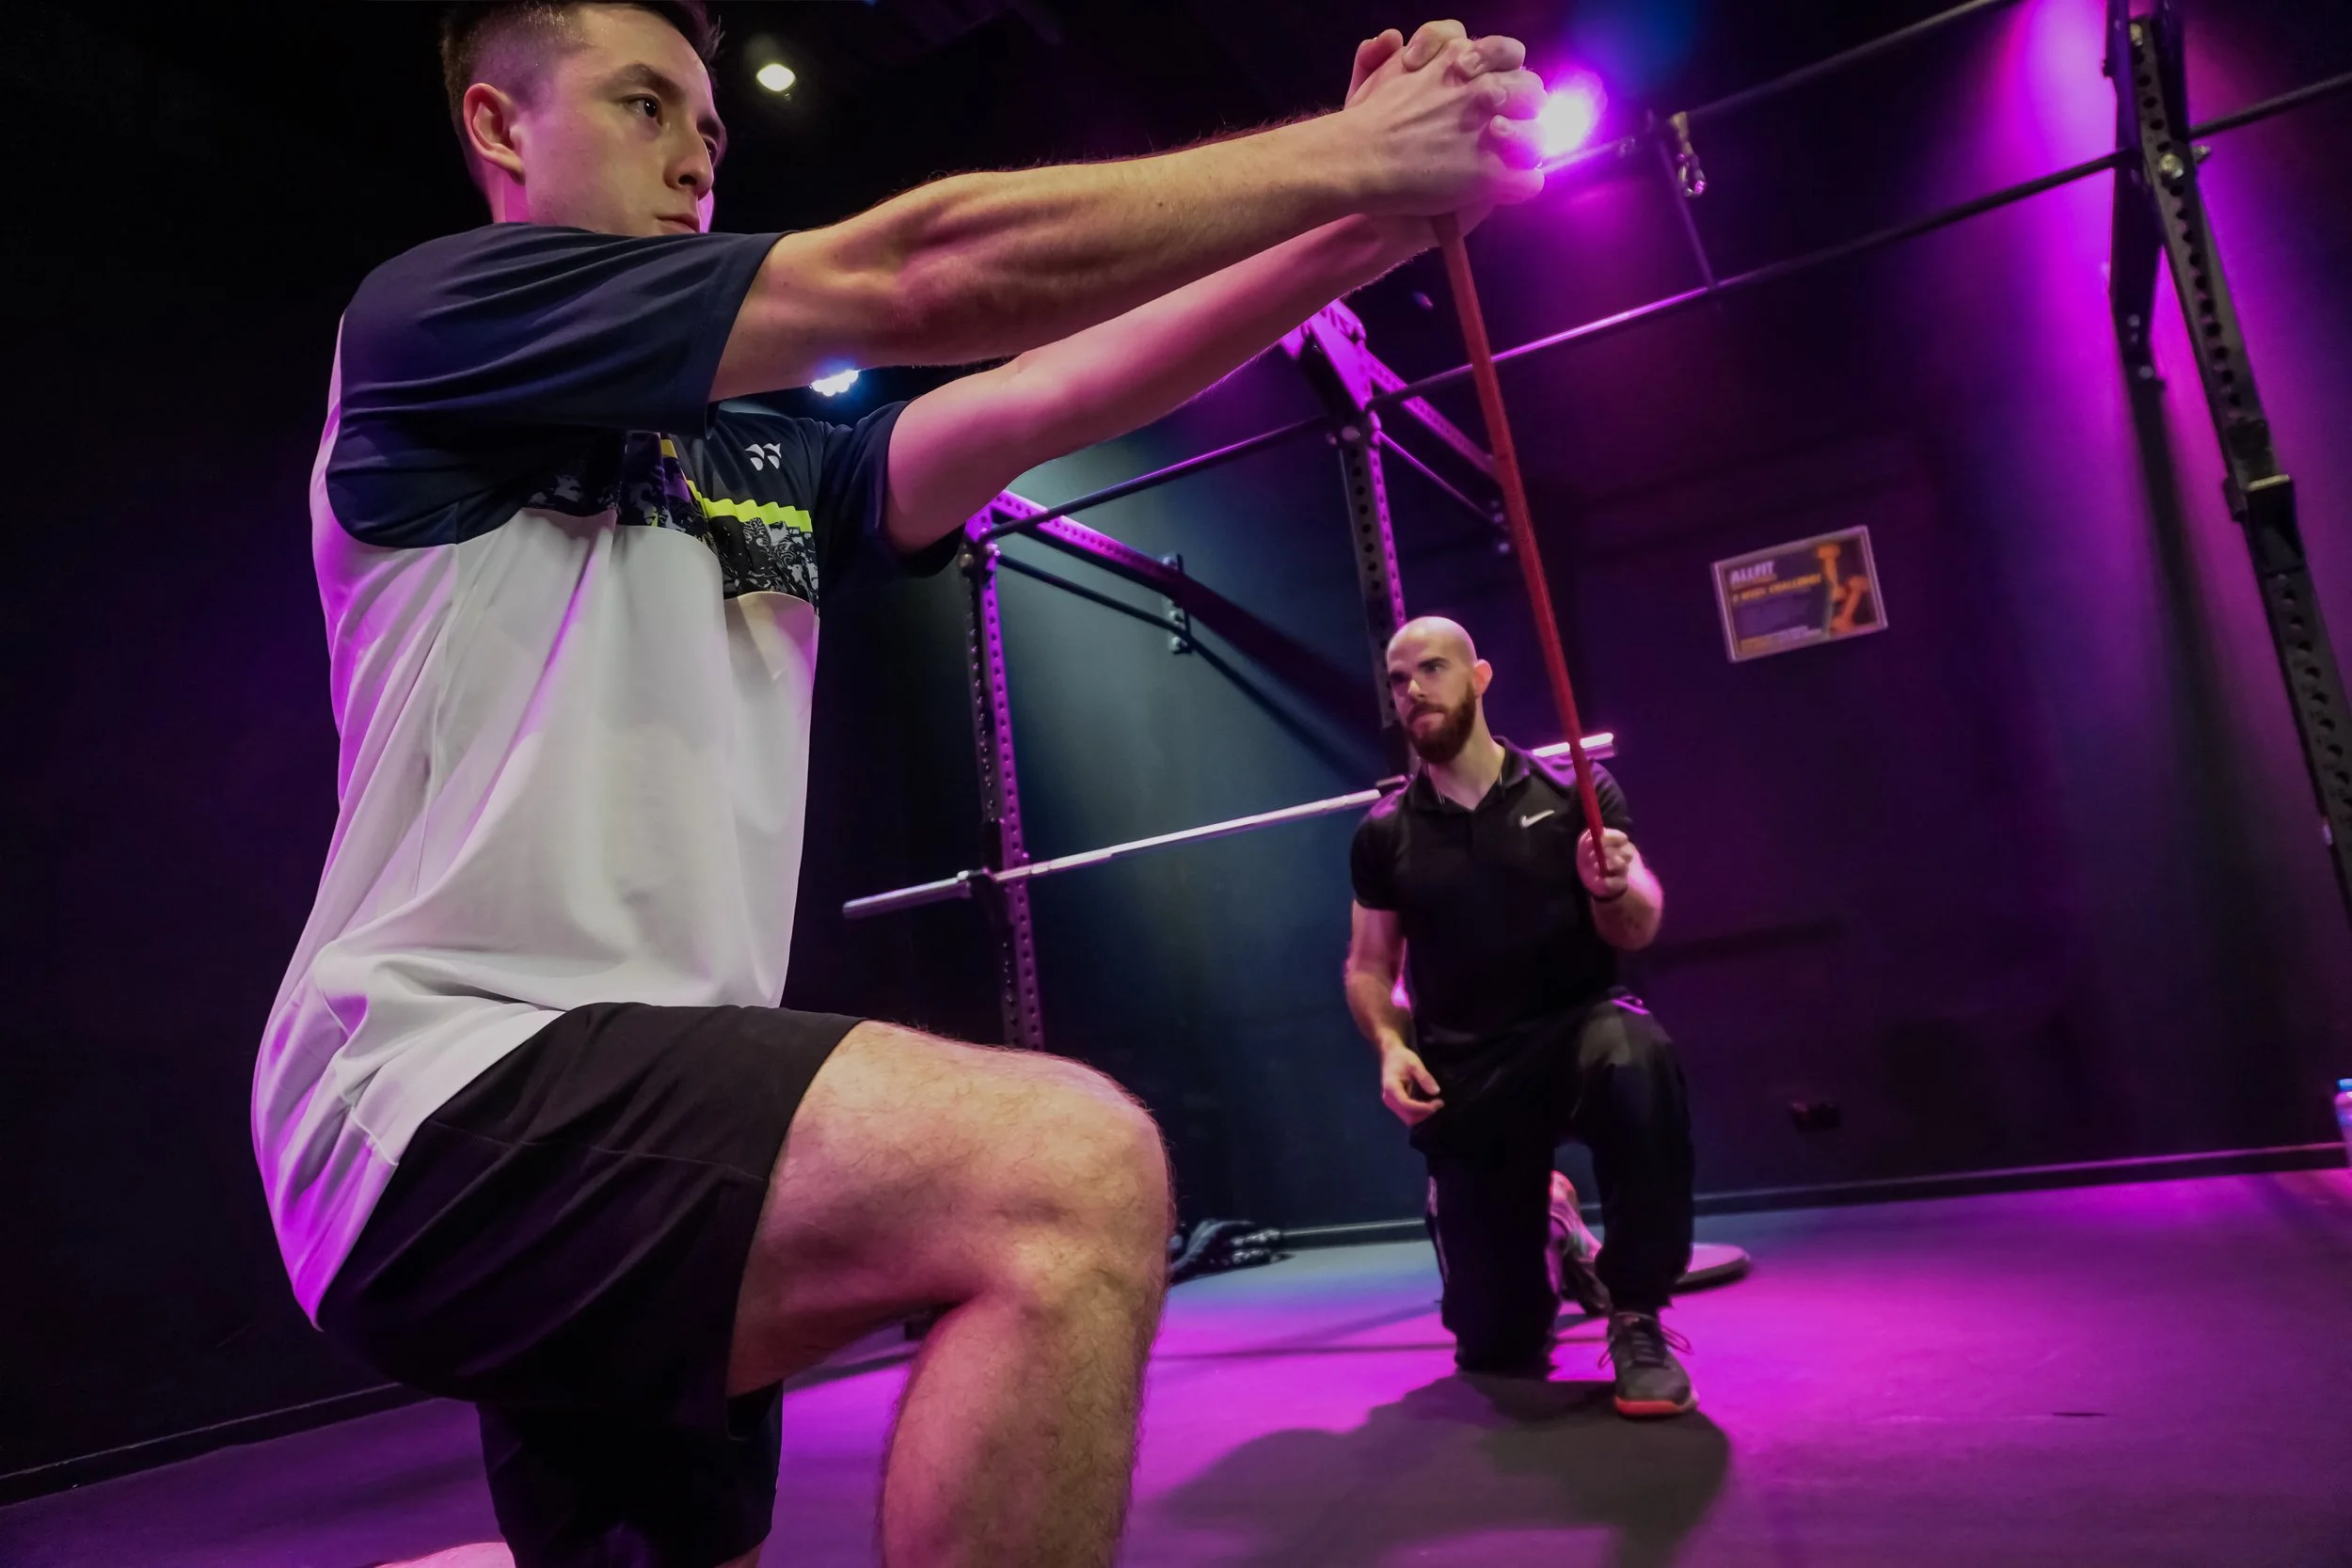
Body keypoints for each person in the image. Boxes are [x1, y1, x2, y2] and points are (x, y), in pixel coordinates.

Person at [248, 5, 1548, 1563]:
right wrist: (1353, 150)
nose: (696, 158)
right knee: (1067, 1172)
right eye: (644, 105)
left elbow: (1046, 392)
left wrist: (1369, 226)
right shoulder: (434, 328)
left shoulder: (765, 462)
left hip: (653, 1103)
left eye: (710, 129)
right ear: (501, 127)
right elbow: (919, 273)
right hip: (435, 1090)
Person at [1342, 617, 1698, 1417]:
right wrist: (1391, 1045)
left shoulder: (1576, 793)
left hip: (1577, 1035)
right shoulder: (1385, 833)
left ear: (1479, 678)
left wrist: (1613, 888)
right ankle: (1555, 1223)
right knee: (1498, 1343)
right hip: (1471, 1073)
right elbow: (1368, 965)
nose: (1412, 691)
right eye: (1398, 679)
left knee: (1636, 1052)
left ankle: (1636, 1312)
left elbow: (1637, 925)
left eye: (1432, 669)